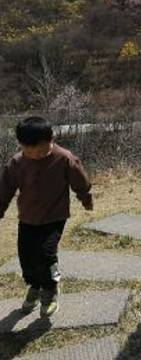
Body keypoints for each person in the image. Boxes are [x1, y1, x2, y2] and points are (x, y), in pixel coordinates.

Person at [0, 116, 94, 318]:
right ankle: (34, 285)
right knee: (26, 256)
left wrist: (86, 198)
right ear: (21, 145)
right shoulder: (17, 162)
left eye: (41, 150)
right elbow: (5, 189)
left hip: (54, 217)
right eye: (29, 151)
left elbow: (80, 181)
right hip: (28, 217)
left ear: (51, 138)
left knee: (46, 254)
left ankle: (50, 289)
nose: (35, 155)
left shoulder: (64, 158)